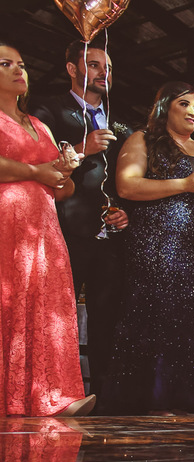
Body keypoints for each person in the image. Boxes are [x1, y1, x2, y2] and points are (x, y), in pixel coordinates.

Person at [107, 81, 194, 414]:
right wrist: (185, 183)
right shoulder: (143, 140)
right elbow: (127, 185)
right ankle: (144, 404)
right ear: (166, 107)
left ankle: (193, 405)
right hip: (154, 250)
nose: (193, 111)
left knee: (193, 326)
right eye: (184, 104)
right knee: (152, 321)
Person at [28, 42, 130, 396]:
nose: (105, 73)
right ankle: (53, 391)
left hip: (110, 236)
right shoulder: (49, 109)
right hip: (64, 230)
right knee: (58, 315)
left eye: (109, 67)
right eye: (94, 64)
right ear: (72, 69)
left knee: (108, 317)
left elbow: (125, 178)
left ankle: (104, 396)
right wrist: (82, 147)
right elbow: (37, 159)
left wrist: (123, 209)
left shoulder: (122, 122)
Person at [0, 41, 94, 417]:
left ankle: (49, 394)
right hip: (7, 222)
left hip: (44, 225)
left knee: (45, 304)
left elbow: (63, 188)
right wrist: (36, 172)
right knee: (9, 300)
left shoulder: (39, 124)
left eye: (21, 64)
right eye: (5, 64)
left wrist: (64, 173)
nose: (18, 70)